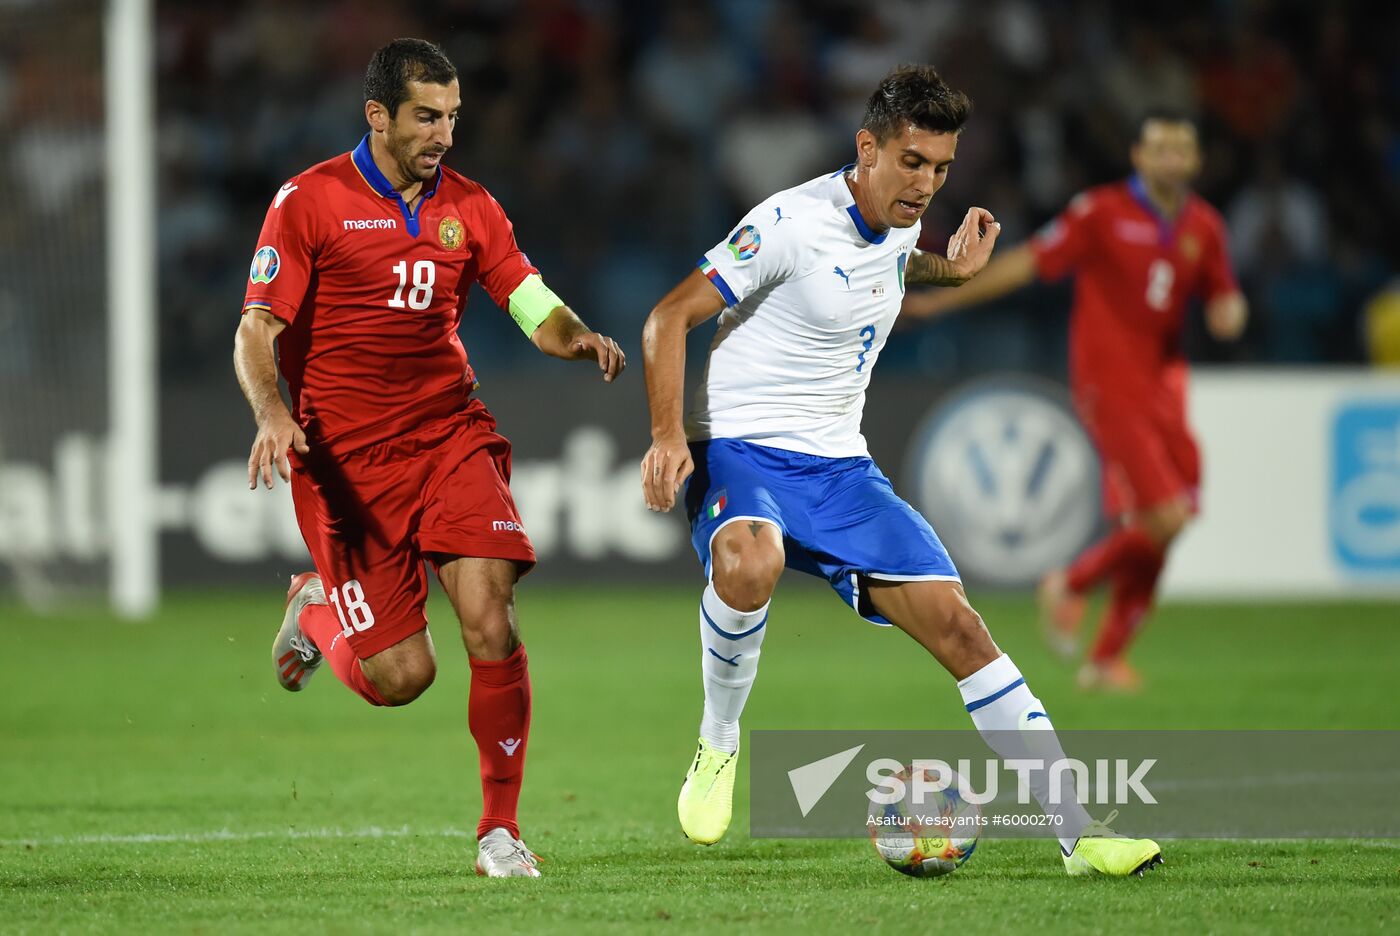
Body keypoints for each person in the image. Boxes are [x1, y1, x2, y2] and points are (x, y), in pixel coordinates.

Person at [640, 65, 1160, 877]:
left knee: (960, 627)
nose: (926, 184)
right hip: (739, 446)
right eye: (912, 163)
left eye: (942, 168)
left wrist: (945, 270)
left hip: (842, 467)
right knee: (751, 560)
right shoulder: (787, 221)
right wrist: (668, 435)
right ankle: (718, 743)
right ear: (867, 149)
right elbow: (668, 316)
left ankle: (1079, 835)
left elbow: (884, 264)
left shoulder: (903, 226)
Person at [233, 38, 625, 878]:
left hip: (449, 432)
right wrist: (271, 411)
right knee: (400, 678)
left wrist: (573, 336)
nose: (443, 134)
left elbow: (525, 293)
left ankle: (500, 830)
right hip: (343, 462)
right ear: (377, 115)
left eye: (452, 117)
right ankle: (315, 609)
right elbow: (255, 330)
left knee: (490, 612)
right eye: (425, 117)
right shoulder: (310, 202)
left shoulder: (470, 206)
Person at [902, 110, 1247, 691]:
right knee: (1166, 515)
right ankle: (1071, 583)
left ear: (1195, 161)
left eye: (1181, 150)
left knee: (1170, 518)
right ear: (1138, 156)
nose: (1170, 159)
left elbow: (1223, 293)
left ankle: (1104, 660)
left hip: (1166, 385)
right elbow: (1027, 264)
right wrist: (944, 299)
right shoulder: (1101, 212)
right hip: (1109, 384)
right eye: (1158, 148)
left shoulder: (1204, 225)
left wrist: (1229, 311)